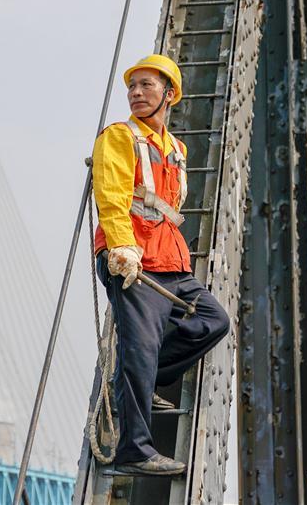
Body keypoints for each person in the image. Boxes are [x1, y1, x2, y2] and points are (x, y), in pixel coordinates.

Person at [92, 54, 230, 476]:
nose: (136, 93)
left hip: (171, 260)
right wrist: (121, 248)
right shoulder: (118, 137)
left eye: (146, 86)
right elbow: (113, 197)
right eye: (132, 87)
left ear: (169, 95)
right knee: (141, 347)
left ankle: (145, 381)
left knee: (213, 320)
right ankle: (135, 451)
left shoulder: (177, 150)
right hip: (133, 260)